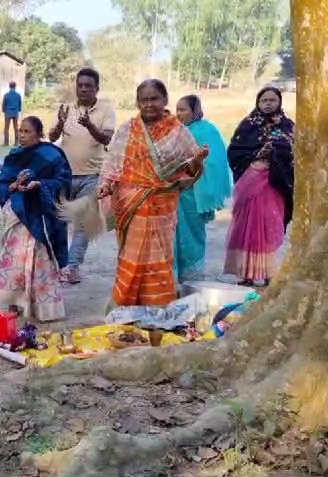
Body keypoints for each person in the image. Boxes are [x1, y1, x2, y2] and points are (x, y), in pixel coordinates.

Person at [97, 79, 208, 309]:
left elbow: (190, 170)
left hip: (162, 205)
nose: (149, 104)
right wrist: (106, 185)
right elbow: (113, 165)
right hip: (131, 204)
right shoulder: (128, 129)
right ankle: (125, 308)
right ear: (138, 102)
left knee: (158, 258)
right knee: (133, 256)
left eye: (154, 98)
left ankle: (157, 308)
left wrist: (196, 163)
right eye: (144, 99)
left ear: (165, 100)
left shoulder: (178, 131)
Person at [0, 117, 72, 321]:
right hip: (18, 215)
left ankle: (45, 308)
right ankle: (14, 303)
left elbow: (63, 181)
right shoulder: (14, 156)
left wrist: (40, 185)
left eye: (27, 131)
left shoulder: (51, 155)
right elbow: (2, 182)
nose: (22, 135)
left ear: (39, 134)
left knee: (39, 260)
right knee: (15, 259)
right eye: (20, 131)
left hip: (40, 218)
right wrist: (12, 191)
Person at [48, 68, 117, 285]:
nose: (84, 89)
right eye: (80, 85)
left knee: (83, 224)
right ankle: (57, 264)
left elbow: (106, 139)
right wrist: (60, 123)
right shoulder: (66, 109)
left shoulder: (106, 110)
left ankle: (72, 267)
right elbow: (51, 137)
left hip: (92, 175)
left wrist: (89, 125)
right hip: (64, 175)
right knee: (59, 221)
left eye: (88, 85)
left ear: (97, 88)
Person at [224, 86, 294, 287]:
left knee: (268, 225)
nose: (268, 103)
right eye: (264, 100)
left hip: (274, 184)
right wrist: (257, 155)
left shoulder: (288, 126)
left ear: (279, 102)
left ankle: (269, 272)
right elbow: (235, 152)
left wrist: (276, 154)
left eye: (272, 100)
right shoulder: (247, 126)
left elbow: (295, 154)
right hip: (250, 180)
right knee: (247, 225)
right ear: (258, 102)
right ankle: (246, 273)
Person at [174, 95, 233, 282]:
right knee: (174, 234)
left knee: (192, 233)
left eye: (183, 110)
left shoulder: (207, 130)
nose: (179, 114)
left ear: (195, 110)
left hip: (195, 193)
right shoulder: (176, 131)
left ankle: (192, 275)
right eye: (177, 109)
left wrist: (196, 167)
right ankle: (174, 275)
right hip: (175, 191)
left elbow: (215, 162)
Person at [2, 81, 23, 146]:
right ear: (15, 86)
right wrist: (19, 109)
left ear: (9, 86)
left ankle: (6, 142)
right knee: (16, 127)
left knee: (6, 128)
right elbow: (20, 103)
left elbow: (4, 104)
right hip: (15, 112)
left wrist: (4, 110)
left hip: (8, 112)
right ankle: (16, 142)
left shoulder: (6, 95)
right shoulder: (18, 95)